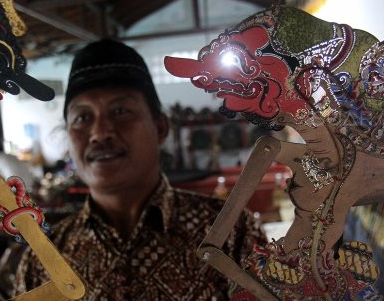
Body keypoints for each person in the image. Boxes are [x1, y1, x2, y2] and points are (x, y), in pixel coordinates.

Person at [14, 39, 266, 300]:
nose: (100, 133)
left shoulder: (231, 233)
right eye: (82, 117)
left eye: (120, 110)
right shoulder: (44, 258)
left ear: (160, 128)